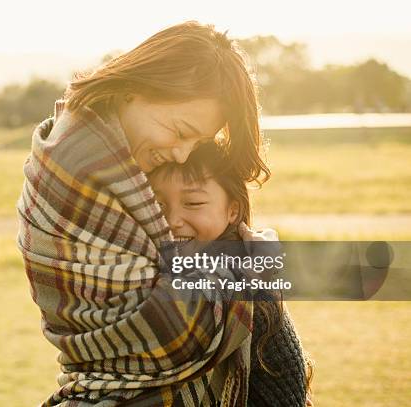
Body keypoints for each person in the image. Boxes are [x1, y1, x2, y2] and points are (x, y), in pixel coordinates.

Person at [17, 21, 277, 406]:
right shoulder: (79, 163)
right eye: (180, 131)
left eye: (199, 142)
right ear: (134, 89)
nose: (182, 154)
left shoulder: (122, 161)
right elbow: (170, 336)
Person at [147, 142, 314, 406]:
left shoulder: (251, 294)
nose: (172, 220)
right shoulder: (139, 275)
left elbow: (287, 390)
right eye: (157, 204)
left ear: (232, 210)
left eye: (193, 202)